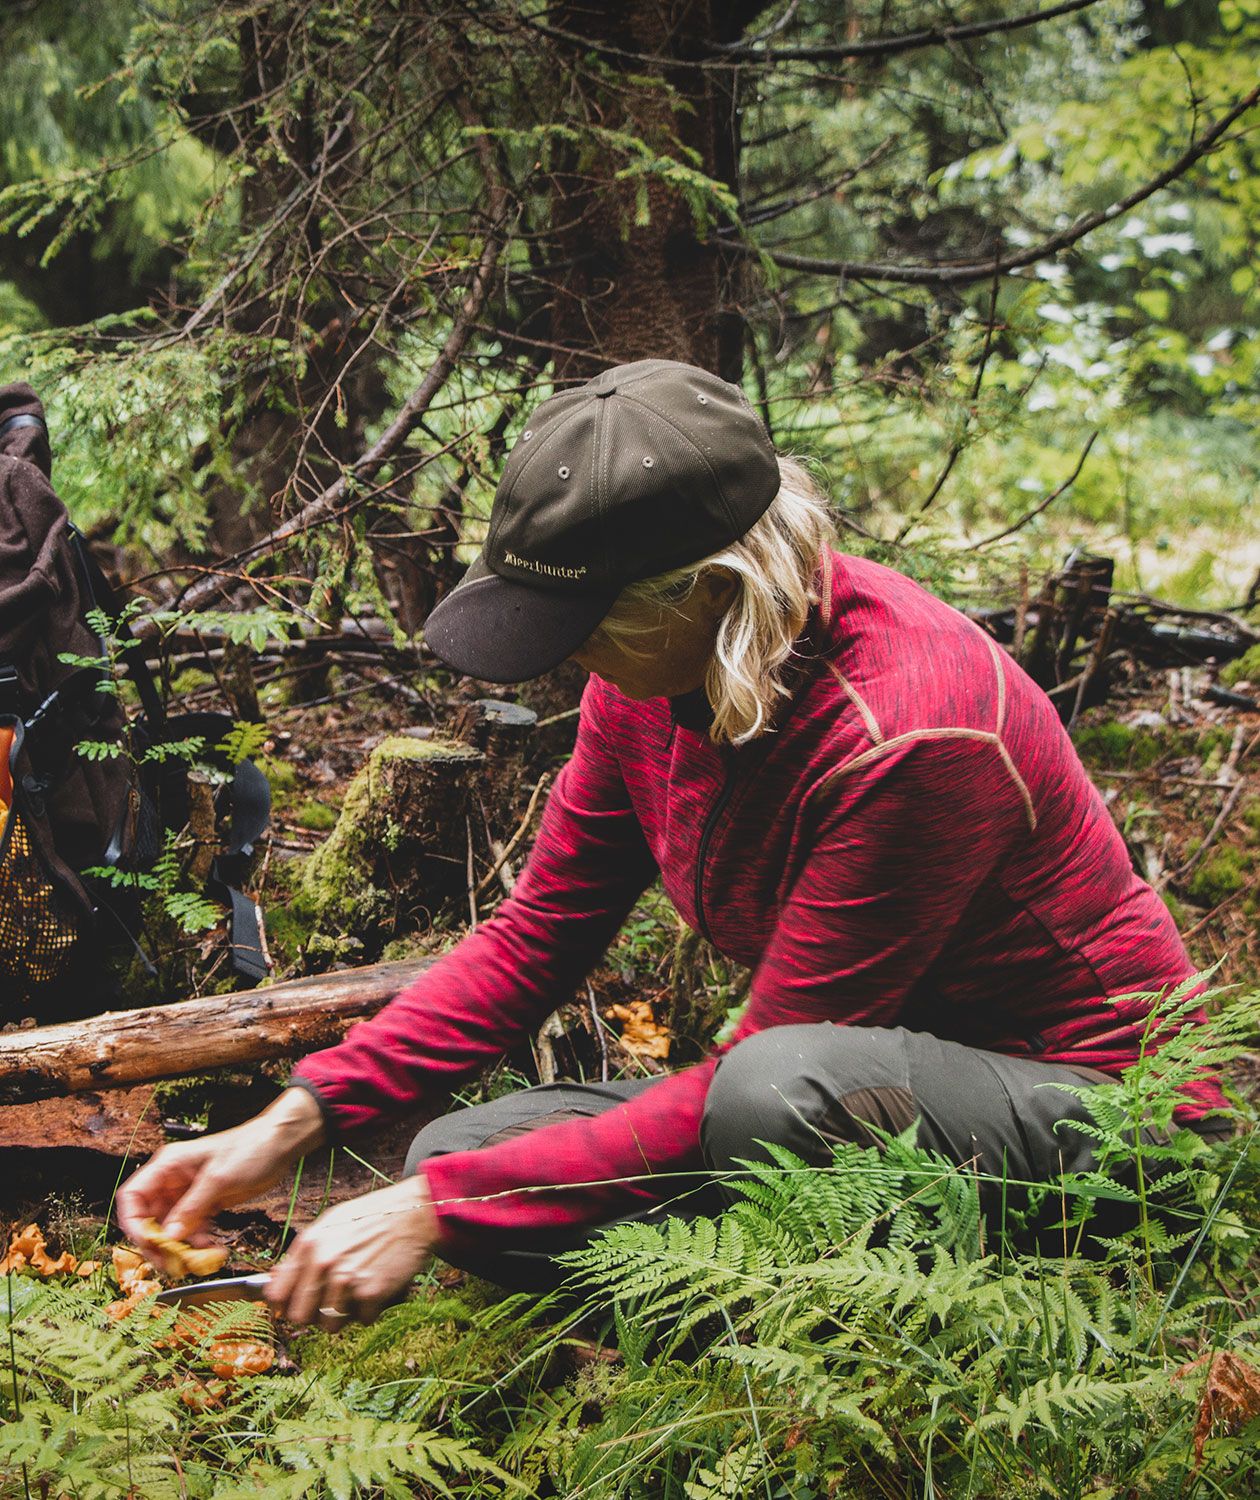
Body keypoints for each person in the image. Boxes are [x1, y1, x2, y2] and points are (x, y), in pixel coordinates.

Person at [117, 358, 1227, 1327]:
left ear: (709, 592)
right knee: (453, 1158)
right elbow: (534, 939)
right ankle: (775, 1290)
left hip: (1104, 1125)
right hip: (870, 1096)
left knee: (758, 1094)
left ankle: (914, 1317)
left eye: (583, 625)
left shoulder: (913, 735)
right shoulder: (650, 678)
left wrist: (440, 1217)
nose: (564, 661)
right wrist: (294, 1121)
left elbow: (781, 1059)